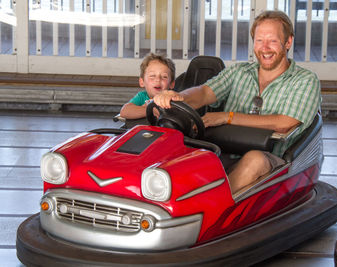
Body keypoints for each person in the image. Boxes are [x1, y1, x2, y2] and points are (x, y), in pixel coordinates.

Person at [154, 10, 321, 194]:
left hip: (272, 163)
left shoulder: (304, 80)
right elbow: (204, 92)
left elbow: (284, 123)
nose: (264, 48)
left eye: (272, 40)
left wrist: (227, 117)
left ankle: (211, 208)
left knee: (254, 160)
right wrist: (178, 97)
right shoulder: (239, 72)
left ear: (288, 42)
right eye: (259, 40)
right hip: (223, 152)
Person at [120, 53, 176, 119]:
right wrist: (150, 110)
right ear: (142, 82)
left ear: (172, 84)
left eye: (164, 77)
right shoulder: (142, 96)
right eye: (152, 76)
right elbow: (124, 111)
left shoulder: (173, 98)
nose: (158, 79)